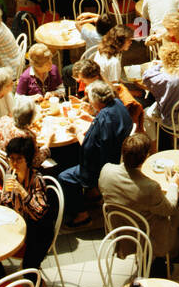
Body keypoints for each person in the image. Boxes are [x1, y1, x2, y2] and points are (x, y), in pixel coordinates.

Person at [99, 132, 179, 274]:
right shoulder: (150, 188)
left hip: (121, 231)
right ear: (146, 157)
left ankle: (168, 250)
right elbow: (169, 209)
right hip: (148, 236)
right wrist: (173, 185)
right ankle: (171, 251)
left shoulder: (106, 171)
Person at [56, 79, 133, 228]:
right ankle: (93, 194)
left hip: (104, 166)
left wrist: (76, 131)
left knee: (64, 176)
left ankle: (82, 215)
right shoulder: (118, 105)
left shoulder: (103, 119)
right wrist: (92, 119)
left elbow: (87, 148)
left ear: (97, 101)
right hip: (118, 155)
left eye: (91, 100)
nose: (90, 103)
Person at [0, 136, 57, 278]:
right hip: (19, 225)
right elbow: (5, 202)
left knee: (29, 268)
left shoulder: (37, 180)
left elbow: (39, 213)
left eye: (19, 159)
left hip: (40, 231)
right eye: (11, 158)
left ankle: (36, 286)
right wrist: (5, 196)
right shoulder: (9, 173)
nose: (14, 163)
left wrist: (22, 192)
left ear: (27, 160)